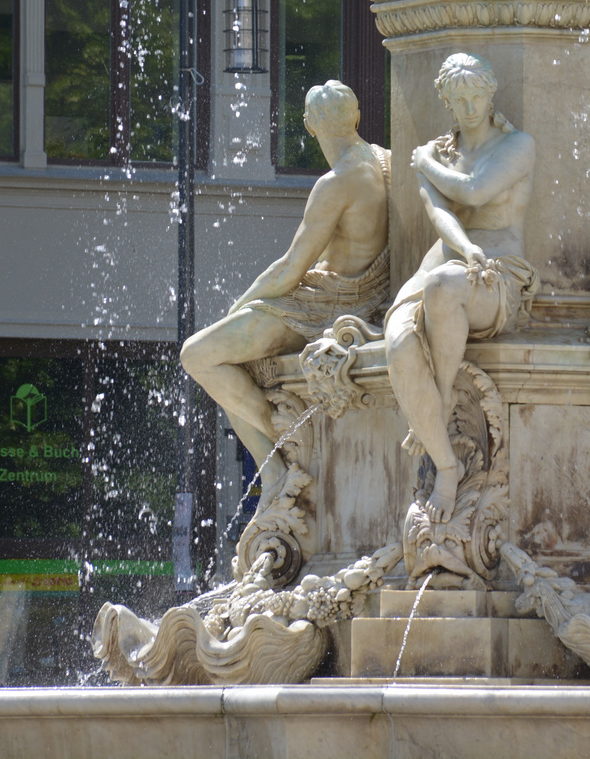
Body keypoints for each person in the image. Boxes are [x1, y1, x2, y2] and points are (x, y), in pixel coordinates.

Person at [181, 81, 389, 484]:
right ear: (358, 117)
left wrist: (239, 307)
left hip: (324, 304)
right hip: (364, 298)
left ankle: (284, 444)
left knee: (198, 355)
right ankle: (276, 475)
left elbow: (290, 269)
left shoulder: (336, 183)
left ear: (310, 125)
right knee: (232, 379)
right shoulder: (385, 162)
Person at [384, 53, 536, 523]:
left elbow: (473, 191)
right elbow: (440, 213)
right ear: (447, 102)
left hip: (499, 271)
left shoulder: (517, 146)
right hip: (449, 262)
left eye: (477, 96)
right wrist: (465, 246)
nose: (470, 106)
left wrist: (425, 163)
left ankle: (443, 396)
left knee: (445, 285)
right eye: (459, 98)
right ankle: (445, 463)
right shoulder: (440, 155)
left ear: (491, 95)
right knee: (398, 344)